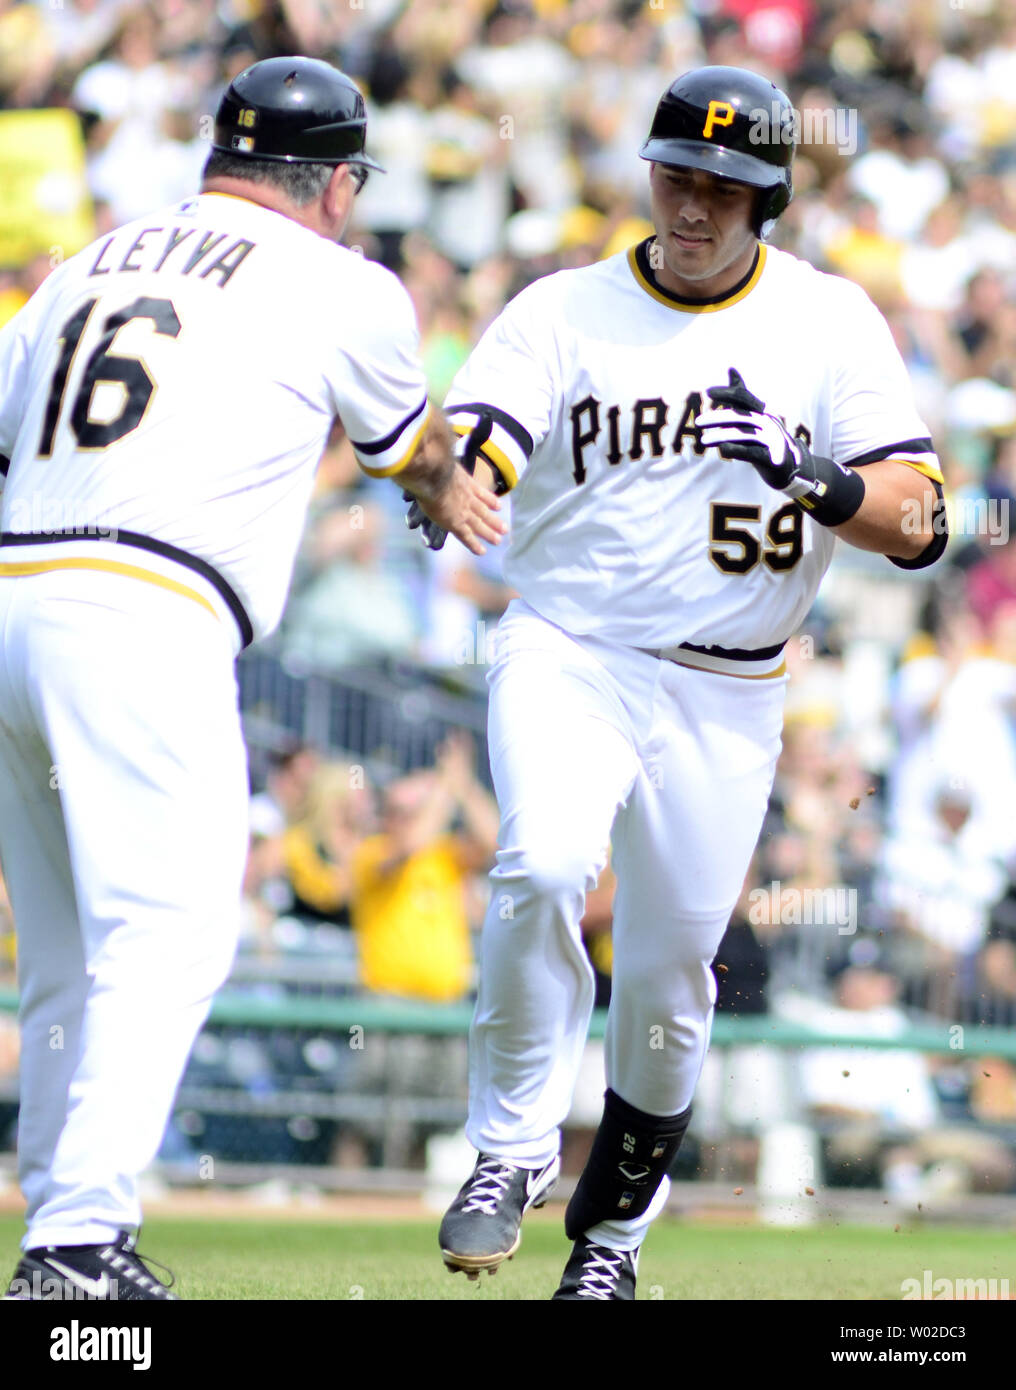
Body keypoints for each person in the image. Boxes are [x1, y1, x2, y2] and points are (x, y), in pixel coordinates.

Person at [425, 66, 948, 1300]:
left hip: (730, 687)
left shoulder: (825, 323)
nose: (695, 204)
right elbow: (480, 434)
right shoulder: (565, 308)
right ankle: (505, 1148)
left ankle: (607, 1243)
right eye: (676, 176)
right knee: (543, 860)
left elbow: (922, 521)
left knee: (667, 979)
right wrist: (455, 479)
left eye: (725, 186)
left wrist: (814, 476)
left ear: (768, 199)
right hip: (572, 647)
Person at [0, 55, 504, 1301]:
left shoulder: (94, 258)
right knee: (168, 933)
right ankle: (75, 1245)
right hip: (145, 607)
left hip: (16, 594)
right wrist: (451, 487)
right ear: (337, 182)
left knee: (69, 954)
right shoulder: (342, 280)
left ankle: (56, 1227)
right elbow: (409, 454)